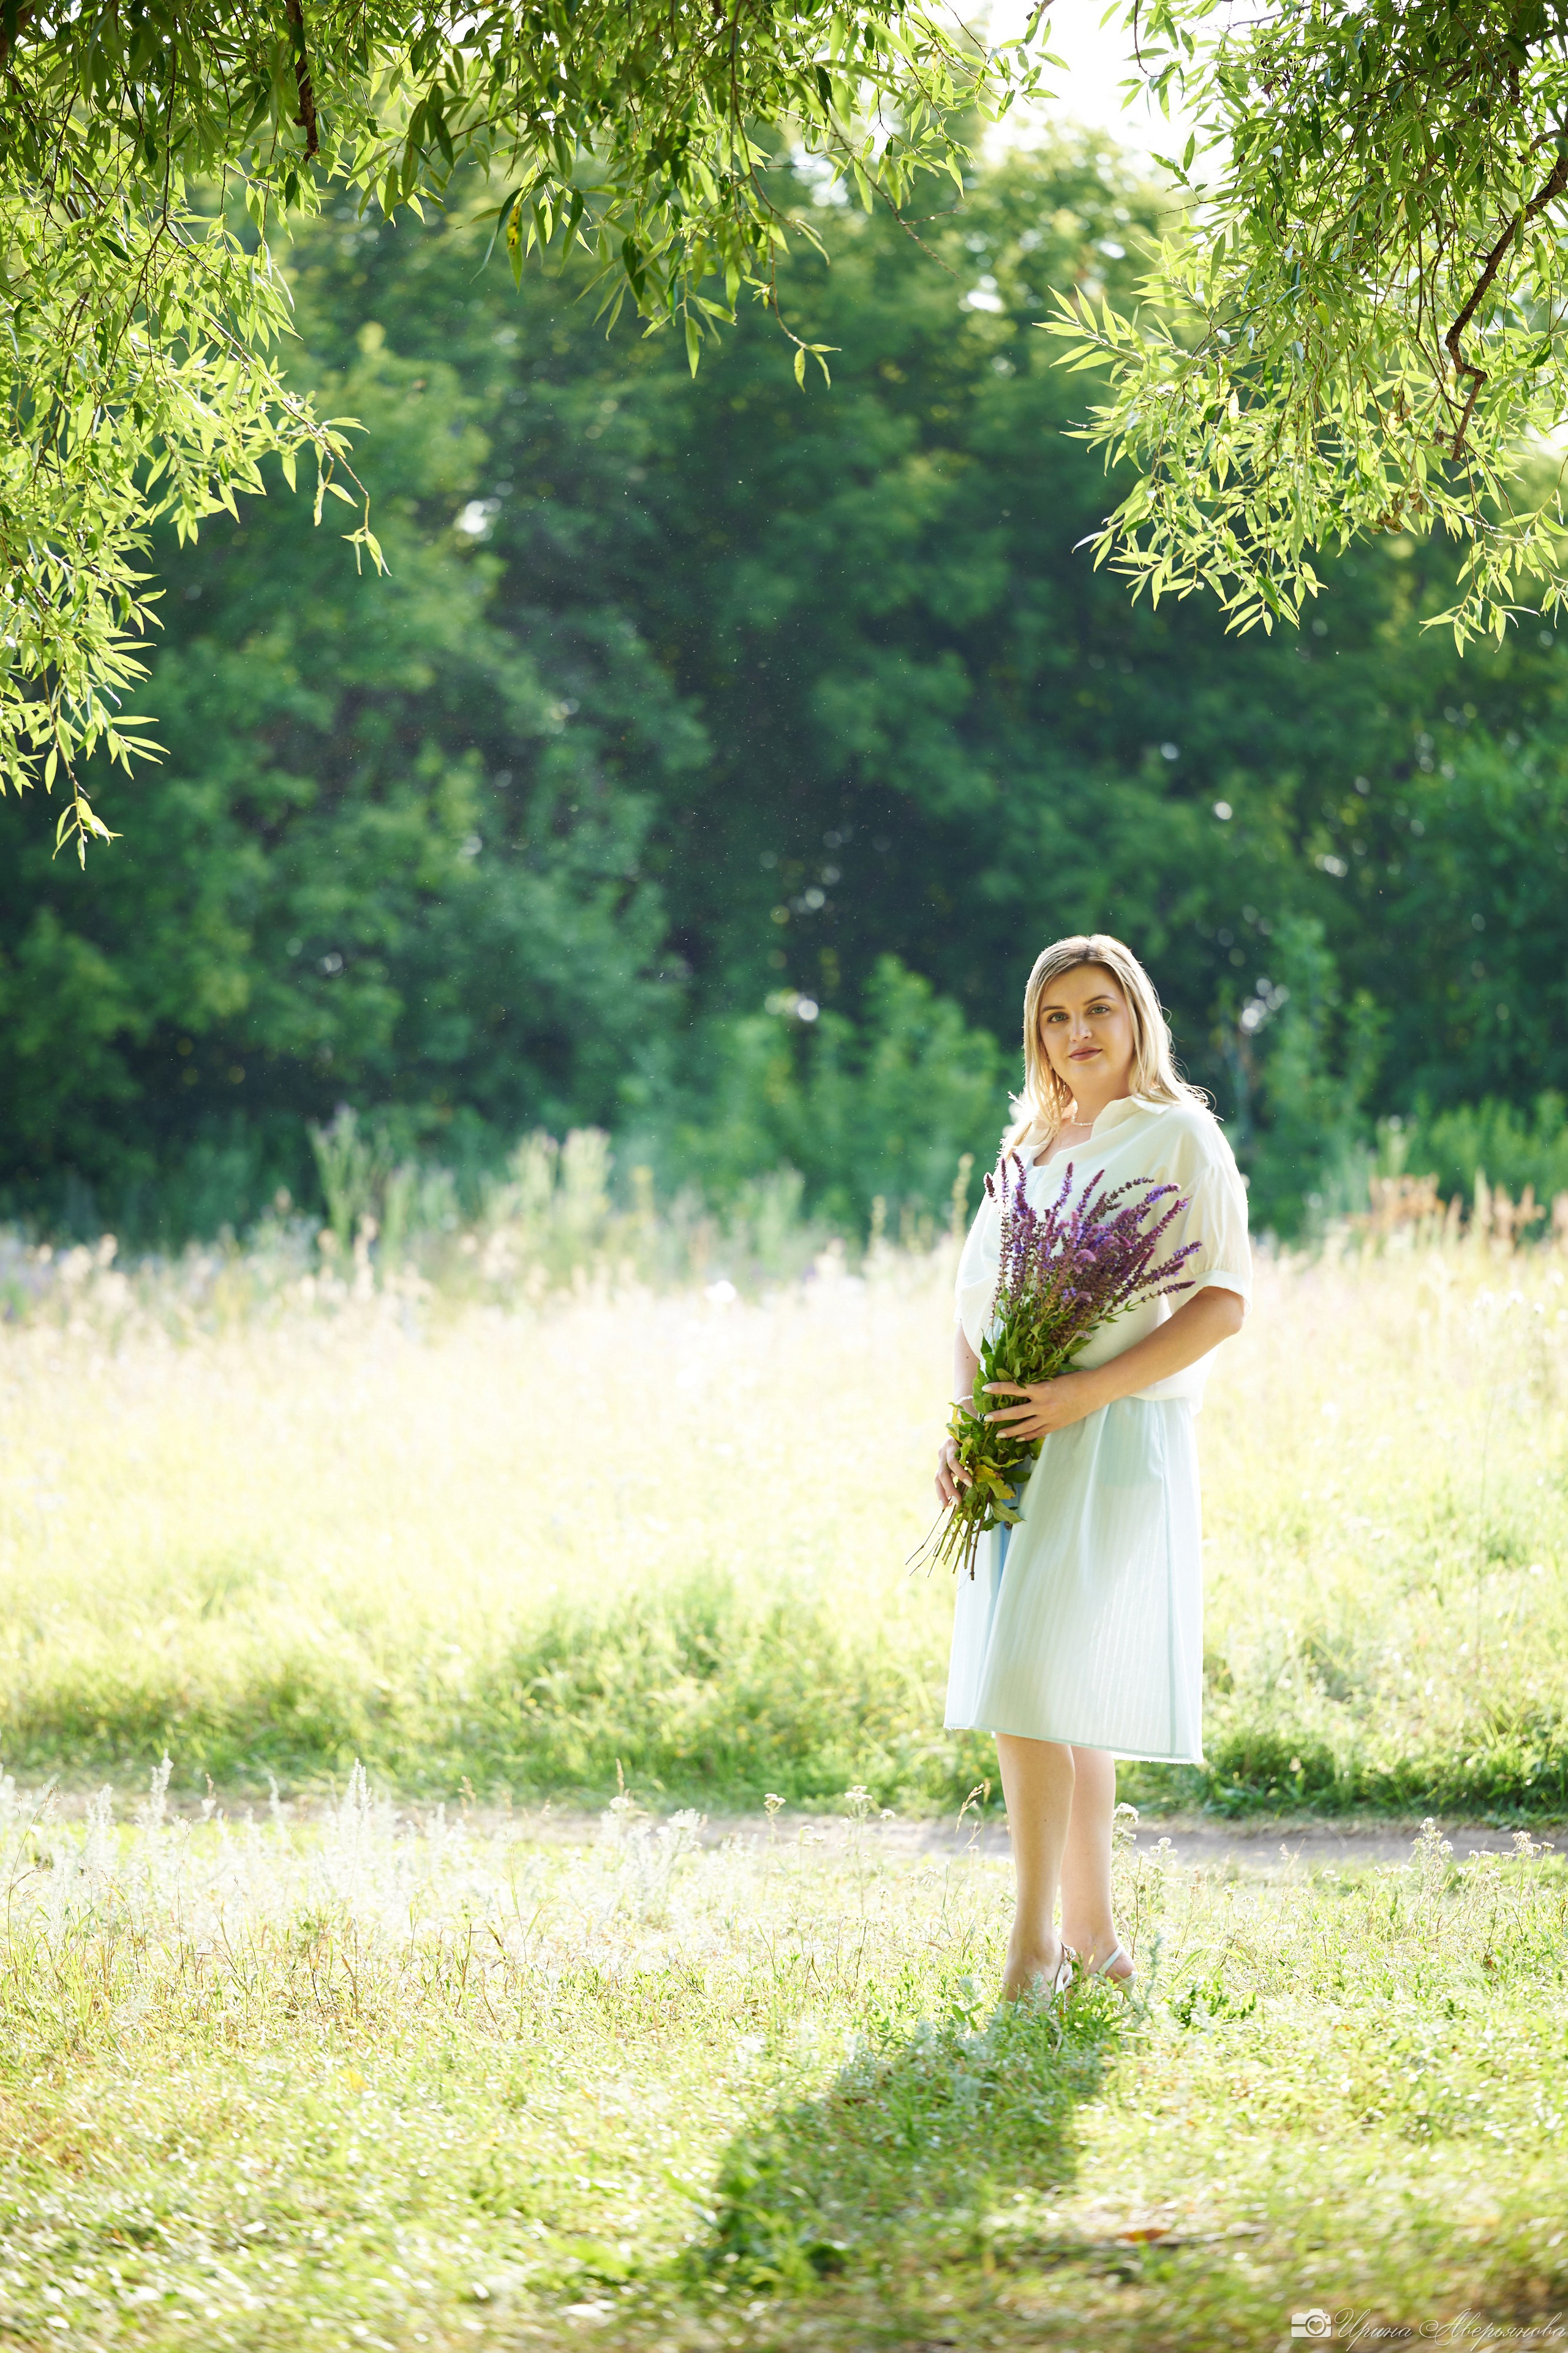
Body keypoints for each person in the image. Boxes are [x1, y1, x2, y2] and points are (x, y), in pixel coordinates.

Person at [937, 934, 1251, 2002]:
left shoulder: (1180, 1137)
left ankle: (1032, 1949)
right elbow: (974, 1308)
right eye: (1058, 1015)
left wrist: (1083, 1394)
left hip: (1114, 1440)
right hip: (1017, 1445)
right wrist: (966, 1427)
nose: (1080, 1032)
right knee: (1052, 1691)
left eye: (1099, 1008)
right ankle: (1099, 1945)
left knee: (1024, 1683)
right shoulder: (1026, 1148)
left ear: (1137, 1016)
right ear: (1038, 1035)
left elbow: (1224, 1299)